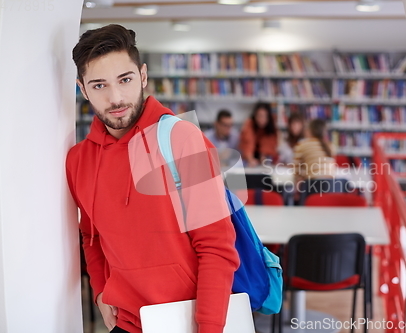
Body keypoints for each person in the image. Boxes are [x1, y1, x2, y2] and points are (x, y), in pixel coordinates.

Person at [66, 24, 239, 333]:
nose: (116, 98)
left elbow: (217, 246)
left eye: (125, 80)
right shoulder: (78, 160)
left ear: (143, 76)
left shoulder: (183, 139)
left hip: (188, 320)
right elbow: (91, 237)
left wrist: (210, 327)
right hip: (128, 321)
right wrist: (101, 291)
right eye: (99, 85)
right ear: (83, 89)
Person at [292, 118, 337, 203]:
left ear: (309, 131)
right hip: (332, 189)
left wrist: (301, 177)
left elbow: (296, 171)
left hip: (311, 189)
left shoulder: (302, 145)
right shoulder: (330, 146)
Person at [238, 102, 278, 167]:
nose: (262, 119)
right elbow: (247, 143)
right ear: (255, 115)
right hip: (248, 158)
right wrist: (250, 159)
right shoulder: (249, 124)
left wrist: (263, 160)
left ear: (268, 117)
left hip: (265, 159)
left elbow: (268, 147)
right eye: (259, 116)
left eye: (264, 116)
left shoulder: (271, 127)